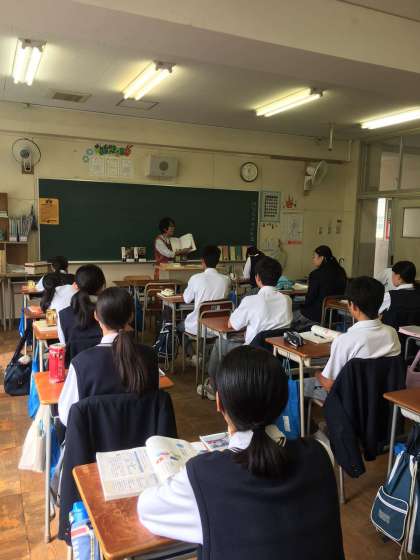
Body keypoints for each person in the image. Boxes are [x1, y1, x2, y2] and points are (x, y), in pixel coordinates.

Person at [138, 346, 345, 560]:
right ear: (283, 401)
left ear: (219, 403)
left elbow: (147, 509)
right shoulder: (322, 454)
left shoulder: (203, 477)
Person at [58, 287, 159, 426]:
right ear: (131, 316)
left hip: (95, 438)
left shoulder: (81, 363)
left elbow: (66, 416)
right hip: (143, 436)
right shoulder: (150, 356)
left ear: (96, 316)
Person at [205, 257, 292, 398]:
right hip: (278, 354)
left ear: (257, 278)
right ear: (278, 278)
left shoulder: (251, 300)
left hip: (253, 354)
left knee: (220, 343)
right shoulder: (287, 300)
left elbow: (231, 325)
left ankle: (214, 388)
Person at [304, 276, 401, 402]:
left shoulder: (345, 340)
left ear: (353, 306)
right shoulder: (392, 333)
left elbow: (329, 385)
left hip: (349, 401)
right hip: (382, 401)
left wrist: (317, 373)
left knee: (298, 386)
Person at [58, 264, 106, 364]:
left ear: (76, 286)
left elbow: (64, 345)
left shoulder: (63, 314)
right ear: (102, 286)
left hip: (75, 369)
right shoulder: (110, 310)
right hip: (108, 367)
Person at [181, 245, 230, 338]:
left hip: (198, 328)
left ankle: (187, 347)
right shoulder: (226, 280)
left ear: (202, 261)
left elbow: (186, 299)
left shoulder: (195, 278)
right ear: (218, 261)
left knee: (179, 326)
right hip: (218, 328)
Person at [293, 245, 347, 329]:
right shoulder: (341, 272)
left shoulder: (316, 274)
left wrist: (301, 305)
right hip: (333, 316)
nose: (313, 260)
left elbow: (310, 298)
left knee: (290, 314)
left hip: (315, 315)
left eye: (314, 257)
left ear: (321, 258)